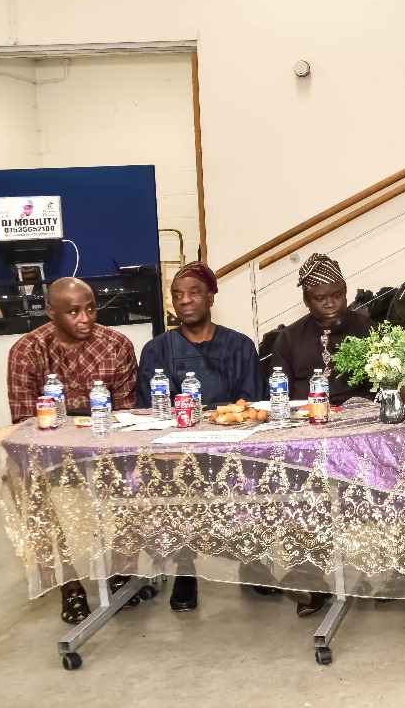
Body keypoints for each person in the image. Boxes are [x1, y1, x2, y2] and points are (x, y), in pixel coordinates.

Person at [5, 277, 139, 625]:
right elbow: (23, 424)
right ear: (51, 312)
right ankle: (70, 584)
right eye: (73, 311)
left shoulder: (117, 345)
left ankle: (123, 572)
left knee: (140, 471)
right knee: (28, 481)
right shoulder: (27, 351)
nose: (86, 318)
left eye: (91, 308)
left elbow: (127, 415)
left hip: (108, 448)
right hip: (49, 453)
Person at [133, 262, 262, 611]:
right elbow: (148, 409)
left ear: (210, 297)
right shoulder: (157, 350)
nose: (185, 301)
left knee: (255, 473)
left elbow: (251, 403)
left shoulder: (239, 345)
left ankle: (253, 560)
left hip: (233, 446)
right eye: (177, 295)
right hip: (176, 451)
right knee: (174, 484)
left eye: (193, 293)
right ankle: (185, 568)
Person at [268, 254, 375, 408]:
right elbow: (280, 396)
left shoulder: (366, 329)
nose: (330, 304)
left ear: (345, 292)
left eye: (337, 295)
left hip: (359, 415)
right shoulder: (289, 338)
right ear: (306, 300)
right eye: (320, 299)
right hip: (305, 418)